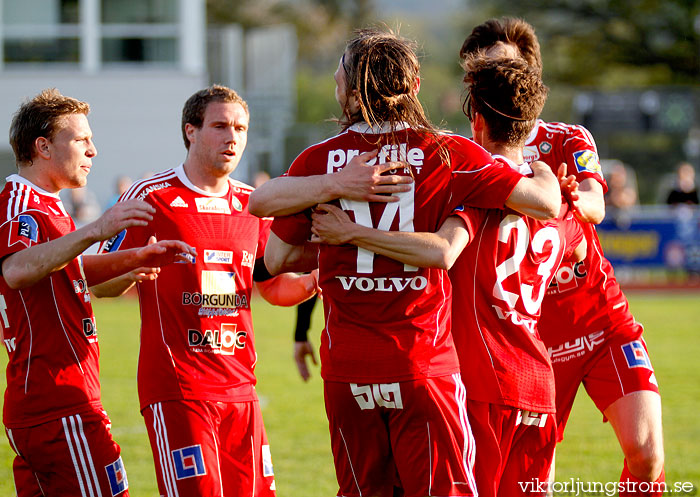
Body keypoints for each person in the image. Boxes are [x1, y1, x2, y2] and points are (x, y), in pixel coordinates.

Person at [253, 28, 565, 497]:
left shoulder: (318, 160)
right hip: (422, 364)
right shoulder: (447, 152)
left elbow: (276, 257)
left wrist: (339, 219)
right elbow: (543, 205)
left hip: (347, 369)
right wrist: (543, 169)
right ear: (414, 85)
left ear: (349, 90)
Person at [461, 17, 665, 495]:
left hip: (598, 317)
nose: (494, 83)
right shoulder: (470, 154)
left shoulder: (568, 138)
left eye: (504, 70)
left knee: (647, 454)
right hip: (529, 338)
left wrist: (567, 198)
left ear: (531, 78)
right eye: (482, 73)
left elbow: (594, 203)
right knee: (532, 484)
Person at [91, 85, 317, 497]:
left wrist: (317, 280)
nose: (232, 137)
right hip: (179, 387)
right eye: (220, 126)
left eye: (240, 128)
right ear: (190, 131)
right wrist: (137, 265)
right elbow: (100, 283)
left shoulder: (255, 205)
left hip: (241, 386)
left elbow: (273, 289)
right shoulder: (152, 196)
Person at [1, 88, 195, 496]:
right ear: (43, 147)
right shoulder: (23, 204)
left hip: (50, 399)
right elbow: (17, 270)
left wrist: (137, 259)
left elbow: (66, 273)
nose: (93, 150)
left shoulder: (47, 204)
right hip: (58, 400)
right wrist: (97, 229)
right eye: (80, 139)